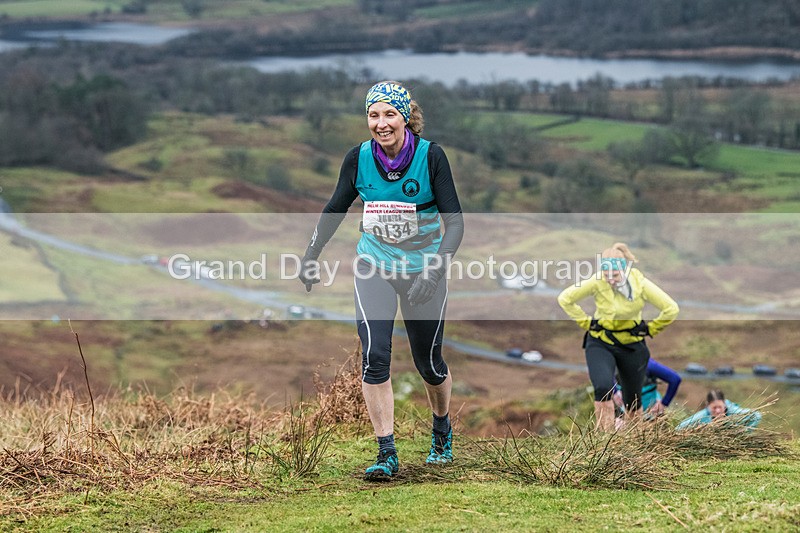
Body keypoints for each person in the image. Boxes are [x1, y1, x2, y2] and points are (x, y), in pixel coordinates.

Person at [299, 81, 464, 481]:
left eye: (390, 114)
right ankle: (386, 452)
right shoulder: (358, 159)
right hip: (374, 266)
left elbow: (455, 222)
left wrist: (436, 268)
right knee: (375, 356)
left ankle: (441, 430)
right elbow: (335, 207)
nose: (381, 123)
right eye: (374, 115)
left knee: (429, 364)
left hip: (425, 272)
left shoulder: (431, 157)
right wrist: (311, 254)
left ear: (406, 117)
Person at [557, 242, 679, 431]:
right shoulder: (597, 281)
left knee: (632, 400)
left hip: (632, 346)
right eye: (606, 275)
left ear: (625, 270)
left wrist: (651, 328)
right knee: (603, 388)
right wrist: (586, 322)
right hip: (601, 341)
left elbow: (671, 309)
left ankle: (634, 443)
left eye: (615, 275)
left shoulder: (640, 284)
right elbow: (565, 298)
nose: (611, 280)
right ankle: (604, 442)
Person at [612, 358, 682, 426]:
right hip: (623, 411)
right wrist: (615, 392)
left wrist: (663, 404)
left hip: (650, 412)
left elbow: (675, 379)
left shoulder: (648, 365)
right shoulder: (614, 361)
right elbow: (606, 375)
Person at [677, 389, 762, 430]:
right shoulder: (702, 416)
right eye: (714, 408)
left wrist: (743, 433)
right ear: (708, 405)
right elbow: (679, 428)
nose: (717, 411)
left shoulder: (734, 411)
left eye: (720, 407)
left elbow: (756, 415)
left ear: (724, 404)